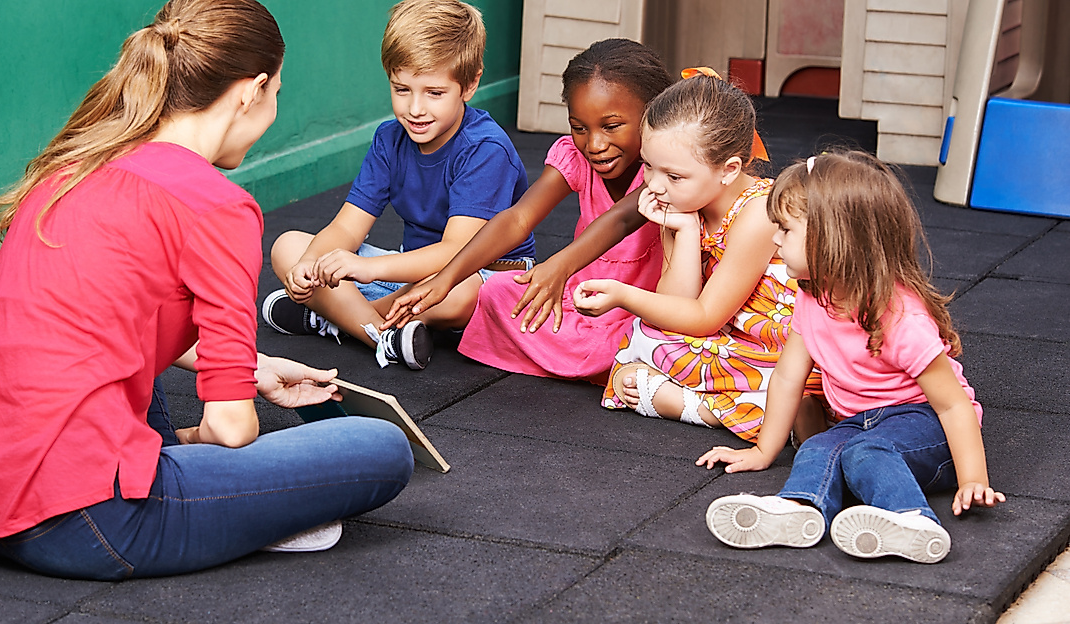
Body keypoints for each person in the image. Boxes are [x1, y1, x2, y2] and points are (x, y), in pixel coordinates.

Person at [0, 0, 414, 581]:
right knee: (380, 448)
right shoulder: (216, 205)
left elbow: (105, 323)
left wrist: (251, 365)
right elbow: (230, 428)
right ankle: (235, 510)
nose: (274, 109)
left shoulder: (72, 168)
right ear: (252, 90)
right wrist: (207, 435)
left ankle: (204, 486)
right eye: (278, 95)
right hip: (89, 524)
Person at [698, 151, 1004, 564]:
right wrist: (762, 452)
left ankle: (914, 521)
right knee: (817, 448)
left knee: (865, 454)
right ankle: (802, 511)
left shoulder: (900, 318)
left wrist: (972, 479)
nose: (775, 239)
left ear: (833, 238)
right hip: (860, 422)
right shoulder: (813, 297)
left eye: (785, 230)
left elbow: (952, 405)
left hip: (926, 425)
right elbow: (788, 378)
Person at [262, 0, 532, 371]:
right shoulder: (389, 139)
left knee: (460, 291)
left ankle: (338, 320)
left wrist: (368, 270)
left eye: (434, 93)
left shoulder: (486, 148)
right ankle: (383, 335)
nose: (415, 109)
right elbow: (346, 227)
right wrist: (310, 266)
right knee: (287, 246)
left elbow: (457, 252)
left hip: (483, 275)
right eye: (402, 89)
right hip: (408, 274)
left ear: (469, 85)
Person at [383, 38, 672, 383]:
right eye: (579, 127)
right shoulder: (575, 155)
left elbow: (623, 218)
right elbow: (518, 218)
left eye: (611, 126)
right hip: (584, 301)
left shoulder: (666, 169)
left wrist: (558, 266)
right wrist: (446, 279)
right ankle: (600, 361)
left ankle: (605, 357)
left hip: (644, 307)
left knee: (659, 336)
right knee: (497, 291)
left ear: (653, 114)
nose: (594, 144)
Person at [573, 71, 824, 442]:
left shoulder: (757, 212)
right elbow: (677, 307)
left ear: (729, 170)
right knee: (639, 350)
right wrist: (685, 231)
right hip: (726, 339)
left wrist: (623, 295)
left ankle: (714, 409)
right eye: (648, 167)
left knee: (637, 358)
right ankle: (748, 409)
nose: (655, 186)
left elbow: (704, 319)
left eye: (674, 176)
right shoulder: (680, 202)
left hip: (781, 349)